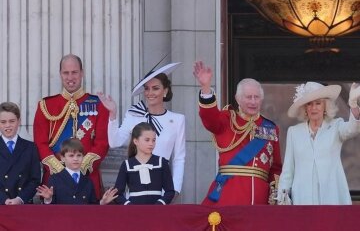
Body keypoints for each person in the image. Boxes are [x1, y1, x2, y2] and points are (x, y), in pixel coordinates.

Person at [193, 61, 282, 206]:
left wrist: (275, 192)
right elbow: (209, 119)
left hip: (260, 198)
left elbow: (276, 167)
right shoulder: (227, 119)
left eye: (256, 97)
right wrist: (206, 88)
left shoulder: (271, 128)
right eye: (248, 97)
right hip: (229, 195)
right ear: (238, 99)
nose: (253, 101)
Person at [98, 62, 185, 199]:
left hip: (162, 187)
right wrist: (113, 114)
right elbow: (115, 142)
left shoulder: (177, 120)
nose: (150, 93)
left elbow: (179, 158)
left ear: (165, 91)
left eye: (155, 88)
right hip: (135, 186)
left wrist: (174, 190)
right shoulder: (134, 114)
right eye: (147, 88)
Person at [33, 54, 109, 199]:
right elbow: (40, 143)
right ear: (60, 74)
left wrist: (81, 166)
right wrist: (60, 170)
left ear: (82, 73)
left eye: (74, 72)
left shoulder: (98, 104)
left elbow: (102, 143)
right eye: (66, 73)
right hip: (54, 179)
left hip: (87, 179)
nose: (70, 77)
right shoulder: (45, 105)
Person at [277, 82, 360, 205]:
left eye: (318, 103)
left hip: (331, 196)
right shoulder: (294, 132)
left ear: (325, 106)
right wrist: (282, 197)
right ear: (305, 108)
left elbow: (352, 129)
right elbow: (288, 170)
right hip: (302, 197)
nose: (313, 108)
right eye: (309, 104)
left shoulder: (335, 126)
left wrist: (353, 105)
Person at [105, 122, 175, 205]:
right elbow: (117, 193)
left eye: (154, 140)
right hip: (134, 213)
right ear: (136, 141)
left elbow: (170, 191)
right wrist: (129, 205)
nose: (151, 143)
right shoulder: (127, 165)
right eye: (147, 140)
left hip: (157, 212)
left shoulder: (161, 162)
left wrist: (159, 204)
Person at [36, 138, 118, 204]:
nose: (75, 159)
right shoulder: (55, 179)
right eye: (71, 156)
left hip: (82, 222)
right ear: (63, 158)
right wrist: (48, 199)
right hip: (62, 221)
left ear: (83, 157)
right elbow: (50, 210)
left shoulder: (88, 181)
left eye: (79, 155)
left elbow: (92, 207)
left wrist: (102, 202)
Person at [0, 102, 41, 205]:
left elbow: (35, 179)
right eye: (3, 122)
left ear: (19, 121)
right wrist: (4, 199)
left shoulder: (30, 147)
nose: (8, 125)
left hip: (23, 205)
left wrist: (20, 199)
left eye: (12, 121)